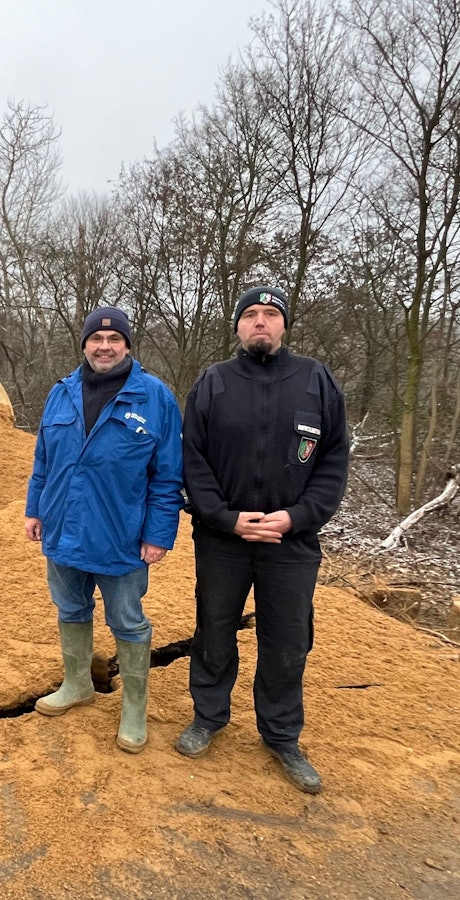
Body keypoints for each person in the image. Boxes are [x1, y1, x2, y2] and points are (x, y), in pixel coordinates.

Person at [176, 285, 349, 794]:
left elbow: (333, 461)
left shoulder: (316, 381)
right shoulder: (213, 382)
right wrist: (225, 517)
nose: (260, 322)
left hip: (290, 545)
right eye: (250, 314)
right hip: (222, 539)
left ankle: (281, 735)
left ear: (284, 325)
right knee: (214, 627)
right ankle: (208, 717)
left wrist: (296, 517)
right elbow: (193, 459)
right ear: (237, 326)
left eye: (270, 314)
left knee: (287, 640)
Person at [24, 307, 184, 753]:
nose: (105, 347)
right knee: (70, 607)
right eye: (96, 339)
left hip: (121, 535)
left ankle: (134, 706)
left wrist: (158, 534)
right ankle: (77, 685)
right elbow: (43, 461)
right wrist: (34, 510)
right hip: (63, 528)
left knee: (128, 622)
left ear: (128, 346)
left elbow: (168, 475)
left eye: (115, 340)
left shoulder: (155, 398)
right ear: (85, 345)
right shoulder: (61, 393)